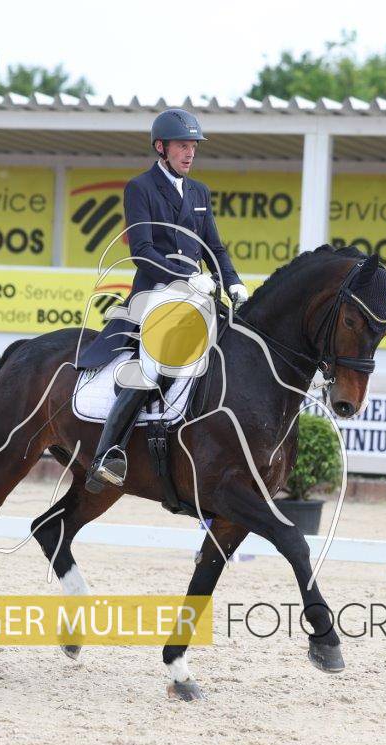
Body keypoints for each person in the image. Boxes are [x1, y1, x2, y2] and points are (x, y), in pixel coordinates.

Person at [77, 108, 246, 493]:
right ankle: (108, 453)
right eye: (182, 146)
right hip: (156, 292)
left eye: (193, 146)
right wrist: (185, 277)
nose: (190, 153)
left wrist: (233, 282)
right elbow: (142, 251)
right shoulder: (141, 188)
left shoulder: (199, 192)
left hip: (198, 295)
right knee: (154, 365)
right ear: (161, 147)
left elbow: (215, 247)